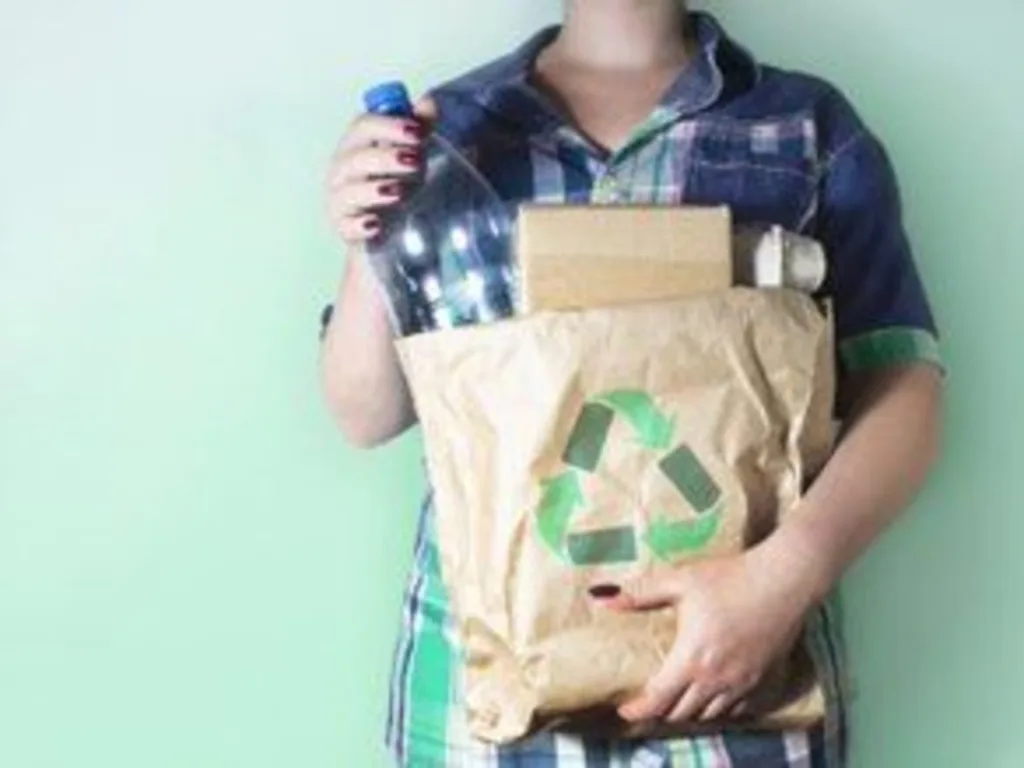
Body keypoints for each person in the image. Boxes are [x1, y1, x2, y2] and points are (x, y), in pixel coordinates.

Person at [319, 1, 944, 765]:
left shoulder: (806, 128)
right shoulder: (443, 135)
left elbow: (903, 387)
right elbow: (367, 413)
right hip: (483, 706)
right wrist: (364, 238)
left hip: (737, 705)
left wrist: (784, 580)